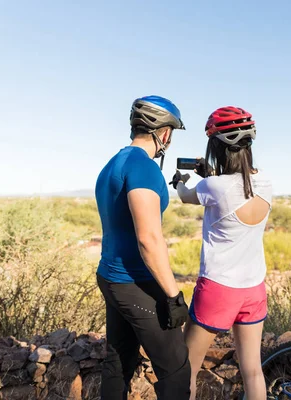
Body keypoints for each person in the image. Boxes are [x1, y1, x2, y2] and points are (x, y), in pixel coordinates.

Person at [170, 106, 272, 400]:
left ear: (215, 146)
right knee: (253, 370)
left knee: (186, 369)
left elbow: (187, 196)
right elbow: (237, 186)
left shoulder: (213, 186)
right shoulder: (266, 182)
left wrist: (180, 181)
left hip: (218, 287)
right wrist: (213, 175)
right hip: (254, 287)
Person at [95, 95, 191, 400]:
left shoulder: (113, 163)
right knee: (175, 371)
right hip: (134, 281)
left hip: (110, 277)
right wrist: (174, 296)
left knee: (118, 364)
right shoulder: (144, 168)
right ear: (164, 133)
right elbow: (149, 239)